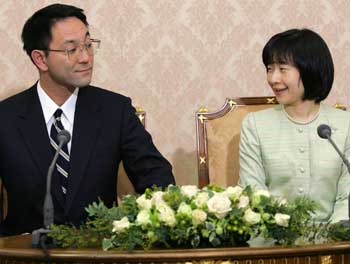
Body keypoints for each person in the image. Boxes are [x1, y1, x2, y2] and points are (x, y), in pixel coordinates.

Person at [0, 3, 175, 236]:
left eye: (88, 45)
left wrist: (147, 223)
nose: (85, 58)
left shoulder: (115, 110)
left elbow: (155, 175)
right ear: (40, 59)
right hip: (25, 254)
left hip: (98, 251)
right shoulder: (6, 119)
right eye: (71, 50)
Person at [239, 28, 350, 223]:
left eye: (282, 69)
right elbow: (253, 192)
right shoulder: (255, 125)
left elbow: (347, 197)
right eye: (269, 69)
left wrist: (332, 239)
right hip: (274, 242)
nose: (273, 79)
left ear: (310, 69)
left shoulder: (345, 125)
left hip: (335, 243)